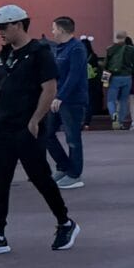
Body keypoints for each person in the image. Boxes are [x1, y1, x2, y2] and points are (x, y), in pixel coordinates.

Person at [0, 4, 77, 257]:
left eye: (3, 27)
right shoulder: (2, 56)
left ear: (18, 24)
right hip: (2, 127)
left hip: (27, 127)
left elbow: (49, 88)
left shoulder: (40, 52)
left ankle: (65, 222)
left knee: (40, 176)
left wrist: (35, 120)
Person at [39, 15, 90, 189]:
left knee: (72, 138)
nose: (52, 31)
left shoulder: (77, 49)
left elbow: (74, 76)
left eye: (53, 28)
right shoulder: (59, 49)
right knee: (46, 134)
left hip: (72, 101)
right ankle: (64, 166)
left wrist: (61, 96)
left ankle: (75, 175)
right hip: (57, 99)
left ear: (61, 30)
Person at [102, 32, 134, 129]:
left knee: (111, 100)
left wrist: (105, 80)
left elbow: (105, 65)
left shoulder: (110, 49)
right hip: (127, 77)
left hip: (114, 77)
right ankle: (120, 121)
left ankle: (113, 114)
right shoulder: (131, 49)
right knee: (123, 100)